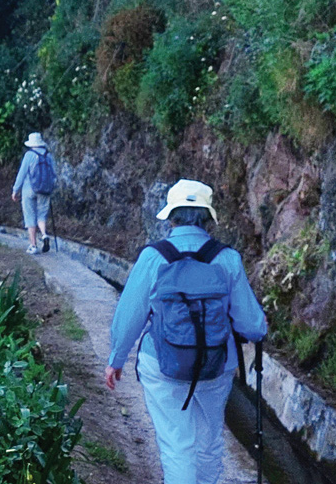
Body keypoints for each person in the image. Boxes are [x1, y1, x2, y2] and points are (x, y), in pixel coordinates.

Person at [103, 179, 267, 484]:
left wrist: (116, 359)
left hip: (162, 363)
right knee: (209, 442)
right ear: (207, 218)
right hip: (216, 365)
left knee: (177, 446)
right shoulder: (226, 258)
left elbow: (130, 315)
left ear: (171, 217)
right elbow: (253, 326)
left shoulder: (154, 257)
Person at [10, 132, 57, 254]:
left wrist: (15, 190)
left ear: (31, 144)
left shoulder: (29, 155)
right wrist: (51, 187)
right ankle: (44, 234)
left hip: (29, 190)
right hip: (45, 190)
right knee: (41, 215)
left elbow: (22, 174)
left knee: (30, 216)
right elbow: (54, 174)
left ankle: (33, 245)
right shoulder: (48, 156)